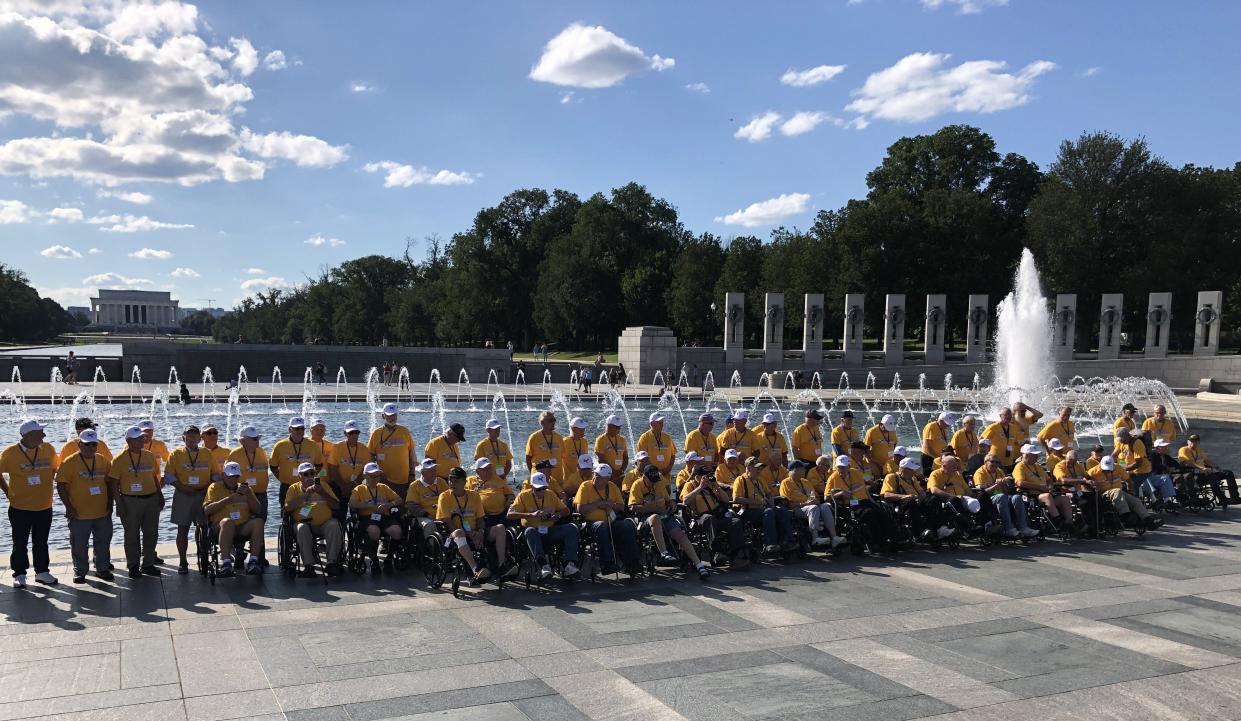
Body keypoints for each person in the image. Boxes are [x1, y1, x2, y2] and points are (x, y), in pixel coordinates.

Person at [2, 419, 61, 587]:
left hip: (44, 505)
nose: (44, 434)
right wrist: (8, 493)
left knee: (41, 541)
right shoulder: (10, 453)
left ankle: (42, 572)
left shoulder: (48, 449)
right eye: (40, 432)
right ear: (28, 435)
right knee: (19, 542)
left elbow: (55, 469)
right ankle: (19, 574)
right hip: (20, 507)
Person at [629, 465, 710, 579]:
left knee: (679, 533)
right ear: (644, 477)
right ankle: (664, 553)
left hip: (664, 515)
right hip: (647, 517)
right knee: (655, 518)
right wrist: (652, 508)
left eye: (655, 480)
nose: (654, 483)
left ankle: (699, 565)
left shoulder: (659, 482)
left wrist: (672, 503)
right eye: (651, 481)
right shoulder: (637, 485)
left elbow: (668, 499)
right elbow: (633, 507)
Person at [55, 428, 115, 583]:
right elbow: (61, 485)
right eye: (87, 445)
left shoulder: (103, 460)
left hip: (102, 511)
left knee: (103, 542)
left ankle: (102, 569)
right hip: (79, 513)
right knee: (79, 544)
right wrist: (68, 507)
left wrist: (111, 502)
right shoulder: (69, 462)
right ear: (79, 444)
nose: (91, 448)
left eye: (94, 444)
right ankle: (80, 571)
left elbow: (110, 483)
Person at [109, 426, 163, 578]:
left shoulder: (148, 455)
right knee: (132, 535)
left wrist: (160, 495)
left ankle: (148, 564)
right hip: (130, 501)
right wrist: (119, 505)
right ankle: (133, 565)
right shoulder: (119, 459)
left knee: (151, 533)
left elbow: (154, 477)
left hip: (151, 499)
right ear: (128, 441)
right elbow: (113, 483)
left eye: (142, 438)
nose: (142, 441)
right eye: (138, 439)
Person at [166, 425, 217, 574]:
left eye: (195, 436)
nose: (192, 438)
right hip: (184, 494)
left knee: (204, 527)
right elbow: (169, 475)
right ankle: (183, 561)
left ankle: (203, 556)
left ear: (200, 438)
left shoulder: (207, 453)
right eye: (189, 436)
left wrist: (209, 487)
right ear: (183, 438)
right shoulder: (175, 454)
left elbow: (215, 474)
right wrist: (182, 488)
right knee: (182, 529)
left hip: (203, 494)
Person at [509, 472, 579, 579]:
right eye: (538, 489)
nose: (541, 491)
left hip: (549, 529)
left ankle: (570, 564)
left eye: (543, 488)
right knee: (530, 531)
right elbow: (510, 515)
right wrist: (530, 515)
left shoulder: (550, 494)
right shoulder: (523, 496)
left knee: (571, 528)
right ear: (532, 487)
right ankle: (543, 565)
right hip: (533, 530)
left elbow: (566, 510)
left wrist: (558, 515)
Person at [574, 463, 639, 575]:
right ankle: (607, 563)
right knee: (601, 526)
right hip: (591, 524)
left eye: (599, 476)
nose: (595, 477)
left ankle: (631, 563)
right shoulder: (585, 486)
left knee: (627, 526)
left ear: (607, 478)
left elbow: (621, 507)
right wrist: (598, 504)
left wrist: (610, 505)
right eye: (595, 474)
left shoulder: (612, 487)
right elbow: (580, 509)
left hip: (611, 520)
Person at [203, 461, 264, 576]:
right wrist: (229, 499)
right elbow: (207, 510)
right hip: (221, 527)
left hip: (242, 526)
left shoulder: (245, 489)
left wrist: (249, 495)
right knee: (228, 522)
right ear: (223, 475)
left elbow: (258, 510)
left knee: (258, 522)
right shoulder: (214, 487)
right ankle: (226, 563)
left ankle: (253, 561)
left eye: (236, 476)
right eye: (230, 476)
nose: (233, 479)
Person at [284, 461, 343, 578]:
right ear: (299, 476)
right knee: (301, 528)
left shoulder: (324, 486)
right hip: (304, 523)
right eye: (306, 474)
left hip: (324, 523)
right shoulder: (293, 488)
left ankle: (331, 563)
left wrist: (322, 493)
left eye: (312, 474)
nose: (309, 477)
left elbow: (336, 506)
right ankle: (308, 566)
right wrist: (305, 495)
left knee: (334, 524)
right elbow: (287, 508)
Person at [680, 464, 747, 567]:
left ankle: (735, 554)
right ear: (697, 477)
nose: (708, 478)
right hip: (700, 518)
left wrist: (717, 487)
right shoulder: (690, 485)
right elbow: (685, 500)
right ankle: (716, 552)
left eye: (709, 476)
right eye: (705, 476)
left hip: (717, 516)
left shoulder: (711, 486)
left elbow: (726, 500)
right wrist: (700, 487)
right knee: (709, 518)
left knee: (735, 522)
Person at [349, 462, 404, 574]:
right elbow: (352, 504)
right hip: (367, 518)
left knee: (397, 532)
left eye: (377, 476)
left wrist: (388, 505)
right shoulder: (359, 489)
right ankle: (374, 559)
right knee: (374, 531)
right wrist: (368, 505)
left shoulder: (384, 487)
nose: (375, 478)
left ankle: (389, 559)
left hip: (383, 516)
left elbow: (399, 500)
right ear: (365, 476)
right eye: (372, 476)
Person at [467, 456, 517, 578]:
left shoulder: (498, 480)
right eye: (485, 469)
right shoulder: (471, 481)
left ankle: (506, 561)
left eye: (490, 468)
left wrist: (509, 500)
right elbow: (465, 499)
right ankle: (497, 562)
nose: (489, 471)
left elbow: (510, 494)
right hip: (483, 516)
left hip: (501, 513)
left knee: (515, 521)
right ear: (477, 471)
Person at [1013, 444, 1080, 535]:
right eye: (1034, 455)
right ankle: (1058, 522)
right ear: (1026, 455)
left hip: (1046, 492)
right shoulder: (1020, 467)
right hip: (1032, 495)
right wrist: (1040, 487)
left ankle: (1069, 523)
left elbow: (1049, 479)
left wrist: (1050, 486)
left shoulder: (1038, 466)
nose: (1037, 456)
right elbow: (1019, 483)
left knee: (1065, 498)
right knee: (1047, 496)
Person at [735, 456, 796, 554]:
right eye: (756, 468)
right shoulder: (740, 480)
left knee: (782, 511)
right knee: (769, 512)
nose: (759, 470)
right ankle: (770, 544)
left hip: (763, 509)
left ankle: (788, 541)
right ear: (749, 468)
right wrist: (758, 502)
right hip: (747, 511)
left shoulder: (760, 479)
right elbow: (736, 499)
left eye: (760, 468)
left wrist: (771, 504)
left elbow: (769, 493)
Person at [927, 455, 998, 538]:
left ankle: (987, 524)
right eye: (952, 466)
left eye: (955, 466)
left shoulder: (957, 474)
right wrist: (954, 496)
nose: (955, 468)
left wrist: (969, 497)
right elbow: (934, 490)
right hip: (949, 499)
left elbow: (967, 490)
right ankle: (968, 527)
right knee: (954, 499)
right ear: (944, 466)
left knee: (983, 495)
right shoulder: (935, 474)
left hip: (963, 498)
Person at [1087, 456, 1163, 532]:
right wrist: (1090, 484)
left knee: (1135, 501)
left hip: (1118, 493)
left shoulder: (1118, 468)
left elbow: (1128, 480)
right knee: (1117, 491)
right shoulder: (1093, 471)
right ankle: (1126, 516)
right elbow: (1085, 480)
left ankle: (1148, 521)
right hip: (1103, 493)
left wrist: (1131, 491)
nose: (1107, 471)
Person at [780, 460, 844, 548]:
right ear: (795, 470)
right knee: (813, 508)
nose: (805, 470)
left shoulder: (805, 482)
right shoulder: (786, 483)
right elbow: (787, 504)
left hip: (811, 506)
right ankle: (815, 538)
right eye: (802, 469)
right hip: (797, 509)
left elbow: (815, 496)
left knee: (825, 506)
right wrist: (804, 504)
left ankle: (834, 537)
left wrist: (816, 501)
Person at [881, 456, 946, 543]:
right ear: (903, 469)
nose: (913, 472)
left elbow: (922, 492)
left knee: (934, 499)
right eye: (911, 470)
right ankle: (920, 532)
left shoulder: (912, 479)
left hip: (915, 501)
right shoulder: (891, 477)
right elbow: (886, 495)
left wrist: (920, 498)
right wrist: (905, 496)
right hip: (901, 503)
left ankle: (937, 529)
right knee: (910, 501)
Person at [974, 452, 1037, 539]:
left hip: (1001, 495)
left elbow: (1005, 491)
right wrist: (997, 484)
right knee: (1001, 497)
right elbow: (982, 493)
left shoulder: (999, 471)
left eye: (997, 462)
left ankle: (1023, 528)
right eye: (992, 462)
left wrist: (1005, 484)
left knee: (1016, 497)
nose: (995, 464)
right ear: (986, 462)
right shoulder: (979, 473)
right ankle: (1008, 528)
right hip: (988, 498)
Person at [271, 417, 325, 507]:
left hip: (307, 487)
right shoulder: (280, 445)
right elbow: (273, 467)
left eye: (302, 428)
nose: (300, 431)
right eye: (296, 428)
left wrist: (310, 477)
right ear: (289, 429)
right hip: (287, 486)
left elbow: (319, 465)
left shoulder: (312, 445)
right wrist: (282, 478)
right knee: (285, 512)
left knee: (308, 509)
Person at [368, 403, 417, 495]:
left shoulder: (404, 431)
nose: (392, 418)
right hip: (384, 480)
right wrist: (375, 474)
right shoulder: (376, 433)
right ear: (383, 416)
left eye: (394, 415)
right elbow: (370, 455)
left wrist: (412, 474)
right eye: (389, 415)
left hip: (404, 480)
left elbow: (412, 455)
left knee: (402, 507)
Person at [1179, 433, 1239, 506]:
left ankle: (1234, 497)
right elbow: (1187, 462)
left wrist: (1217, 467)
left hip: (1205, 473)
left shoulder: (1199, 450)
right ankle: (1221, 499)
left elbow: (1206, 460)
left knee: (1228, 473)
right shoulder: (1183, 450)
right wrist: (1203, 468)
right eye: (1191, 441)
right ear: (1188, 441)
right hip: (1195, 476)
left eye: (1195, 441)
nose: (1193, 443)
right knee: (1211, 476)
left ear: (1198, 442)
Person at [227, 426, 270, 520]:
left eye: (258, 438)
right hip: (243, 496)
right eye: (254, 439)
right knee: (243, 521)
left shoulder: (261, 451)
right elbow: (227, 476)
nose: (257, 441)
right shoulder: (234, 454)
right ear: (243, 441)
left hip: (261, 494)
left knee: (261, 521)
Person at [329, 420, 367, 515]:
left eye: (356, 432)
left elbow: (365, 470)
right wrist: (343, 486)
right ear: (345, 433)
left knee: (359, 515)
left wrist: (353, 484)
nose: (354, 435)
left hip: (357, 485)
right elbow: (333, 468)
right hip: (339, 485)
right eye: (350, 433)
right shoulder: (337, 447)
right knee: (339, 514)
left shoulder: (364, 448)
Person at [406, 459, 448, 543]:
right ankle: (432, 549)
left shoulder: (441, 482)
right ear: (422, 473)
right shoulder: (415, 486)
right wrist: (427, 515)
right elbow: (411, 506)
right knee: (429, 524)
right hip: (423, 516)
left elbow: (450, 498)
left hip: (442, 514)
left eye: (435, 470)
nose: (434, 473)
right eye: (430, 471)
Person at [526, 410, 564, 486]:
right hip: (540, 480)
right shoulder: (534, 437)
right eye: (551, 420)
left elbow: (562, 456)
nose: (553, 422)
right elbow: (528, 458)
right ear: (542, 422)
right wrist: (532, 474)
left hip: (557, 479)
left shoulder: (559, 437)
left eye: (554, 420)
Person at [637, 412, 676, 483]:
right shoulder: (644, 438)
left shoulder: (667, 437)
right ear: (652, 424)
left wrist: (669, 468)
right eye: (659, 423)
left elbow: (673, 455)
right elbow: (642, 458)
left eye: (662, 422)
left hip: (666, 475)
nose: (662, 425)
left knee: (666, 493)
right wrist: (655, 470)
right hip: (651, 475)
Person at [1148, 439, 1187, 507]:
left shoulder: (1165, 456)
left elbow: (1176, 464)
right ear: (1157, 448)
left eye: (1166, 446)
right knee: (1166, 478)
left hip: (1164, 476)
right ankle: (1167, 501)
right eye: (1164, 447)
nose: (1166, 448)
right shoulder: (1152, 455)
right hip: (1153, 477)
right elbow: (1154, 465)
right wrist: (1167, 468)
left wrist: (1175, 468)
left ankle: (1183, 498)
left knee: (1180, 477)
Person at [562, 417, 593, 489]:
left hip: (582, 480)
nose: (583, 431)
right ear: (573, 429)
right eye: (581, 429)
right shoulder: (564, 442)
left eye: (584, 429)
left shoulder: (584, 441)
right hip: (568, 481)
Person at [921, 412, 953, 476]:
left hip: (938, 458)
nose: (948, 426)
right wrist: (937, 458)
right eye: (946, 424)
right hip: (929, 458)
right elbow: (927, 446)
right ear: (941, 421)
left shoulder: (942, 428)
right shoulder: (931, 427)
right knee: (930, 477)